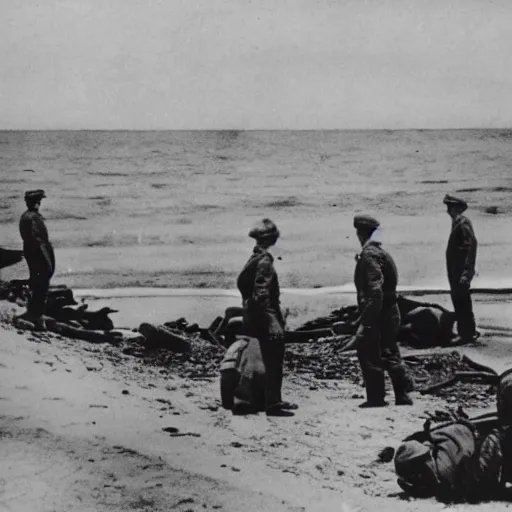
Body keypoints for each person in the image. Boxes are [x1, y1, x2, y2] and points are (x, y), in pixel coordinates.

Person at [236, 218, 296, 417]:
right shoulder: (265, 261)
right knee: (273, 359)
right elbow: (261, 293)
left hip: (252, 316)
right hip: (263, 316)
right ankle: (272, 404)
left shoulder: (254, 258)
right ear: (272, 239)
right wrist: (272, 323)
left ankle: (265, 400)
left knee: (256, 358)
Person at [353, 215, 413, 407]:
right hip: (389, 311)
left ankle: (376, 397)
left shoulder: (370, 255)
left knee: (369, 351)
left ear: (360, 233)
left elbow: (374, 291)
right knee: (390, 351)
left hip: (380, 313)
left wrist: (366, 321)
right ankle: (402, 395)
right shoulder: (379, 253)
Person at [443, 194, 478, 344]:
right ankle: (468, 331)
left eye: (450, 207)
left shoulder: (462, 224)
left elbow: (471, 248)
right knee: (460, 300)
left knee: (461, 301)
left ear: (456, 208)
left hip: (460, 271)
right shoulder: (458, 223)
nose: (448, 211)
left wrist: (466, 272)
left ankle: (466, 334)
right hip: (456, 270)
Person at [19, 189, 55, 330]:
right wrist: (48, 260)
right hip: (38, 253)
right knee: (42, 283)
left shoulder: (27, 216)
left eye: (38, 201)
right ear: (30, 202)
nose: (37, 203)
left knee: (38, 283)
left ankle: (35, 314)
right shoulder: (33, 218)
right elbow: (38, 241)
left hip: (32, 252)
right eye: (35, 201)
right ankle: (36, 315)